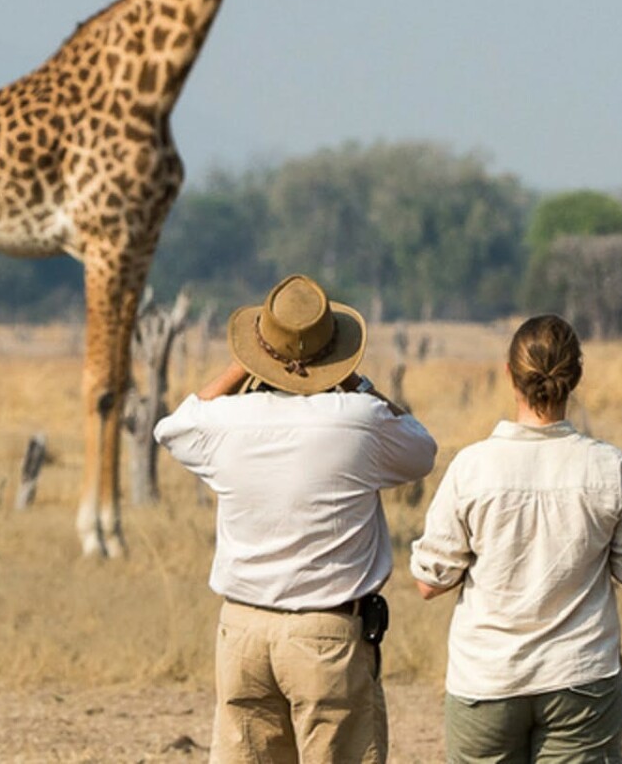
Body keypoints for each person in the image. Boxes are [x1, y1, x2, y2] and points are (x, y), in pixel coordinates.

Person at [156, 274, 438, 764]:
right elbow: (421, 448)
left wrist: (239, 366)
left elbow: (174, 427)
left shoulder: (228, 423)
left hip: (242, 631)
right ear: (336, 352)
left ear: (258, 351)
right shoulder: (359, 419)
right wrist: (357, 381)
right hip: (327, 635)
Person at [409, 314, 622, 764]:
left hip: (486, 679)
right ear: (576, 376)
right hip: (581, 674)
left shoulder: (473, 467)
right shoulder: (607, 466)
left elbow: (429, 583)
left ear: (509, 374)